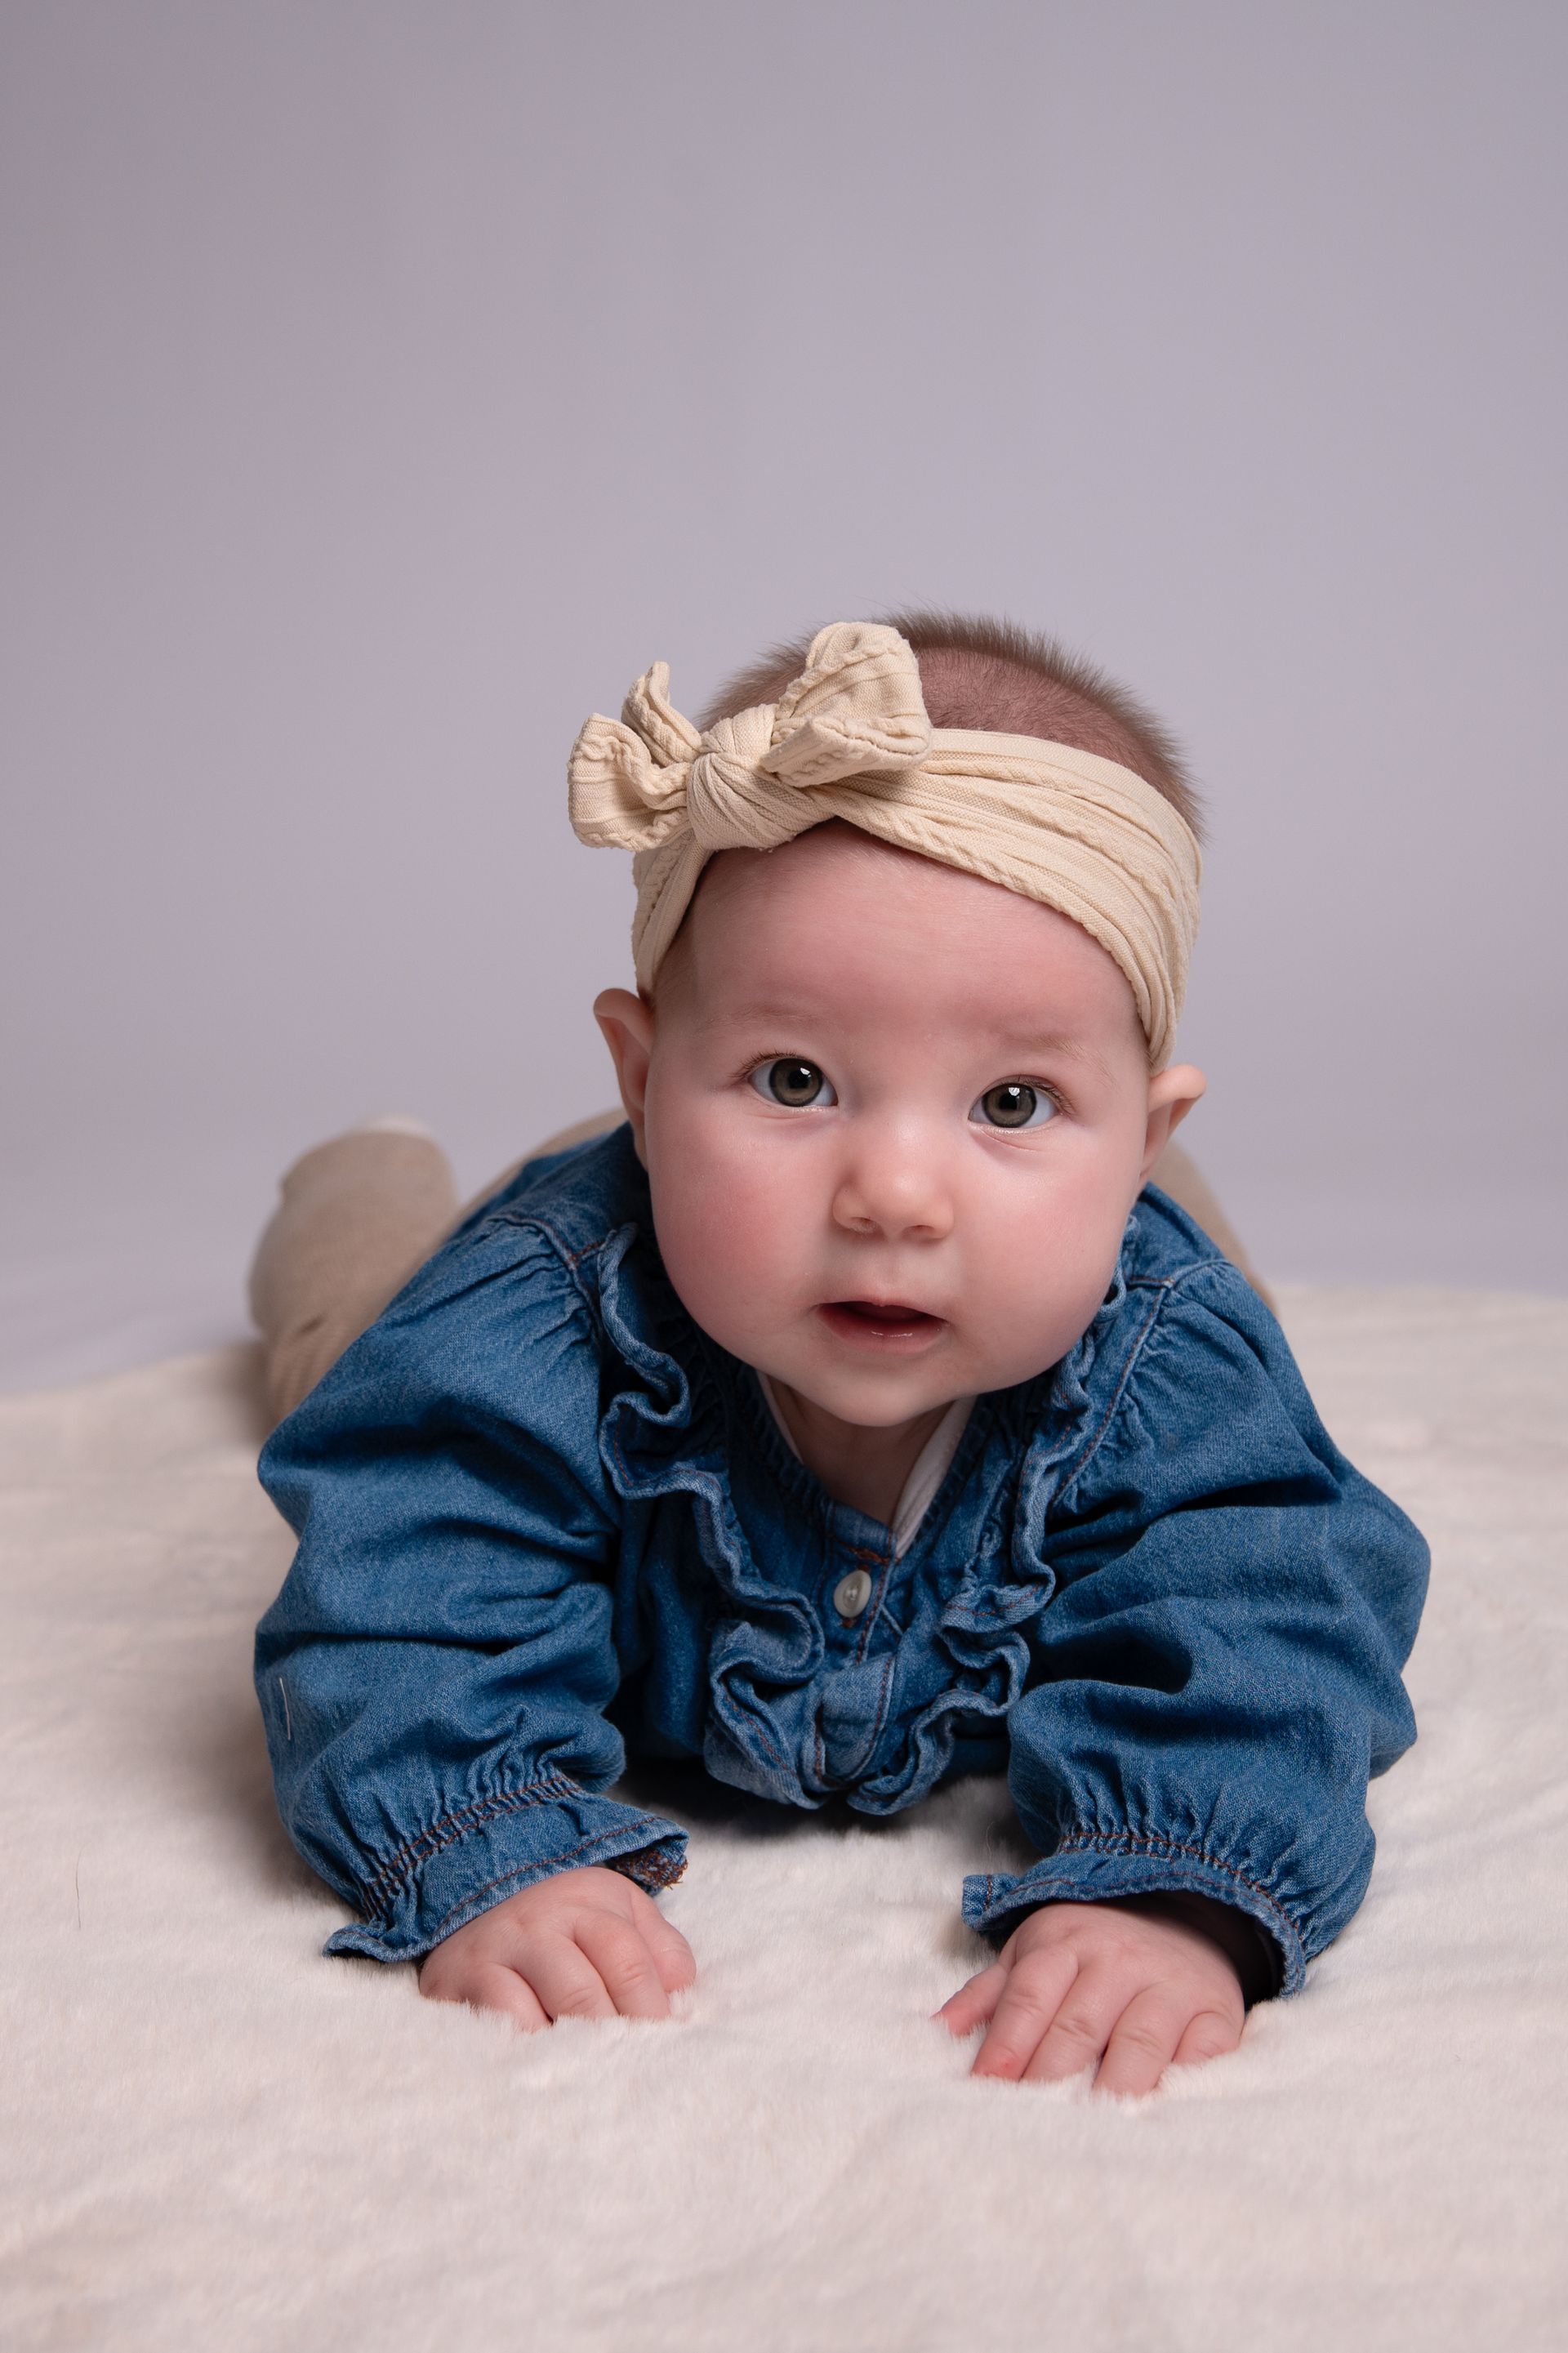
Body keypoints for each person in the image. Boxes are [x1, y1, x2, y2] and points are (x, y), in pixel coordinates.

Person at [252, 614, 1428, 2098]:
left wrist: (1175, 1885)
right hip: (641, 1240)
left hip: (1081, 1254)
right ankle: (359, 1169)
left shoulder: (1162, 1348)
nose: (893, 1191)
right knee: (346, 1347)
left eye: (1010, 1095)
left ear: (1143, 1135)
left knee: (1189, 1325)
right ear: (642, 1073)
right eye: (796, 1079)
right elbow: (404, 1606)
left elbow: (1271, 1623)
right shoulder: (529, 1317)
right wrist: (480, 1841)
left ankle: (997, 1141)